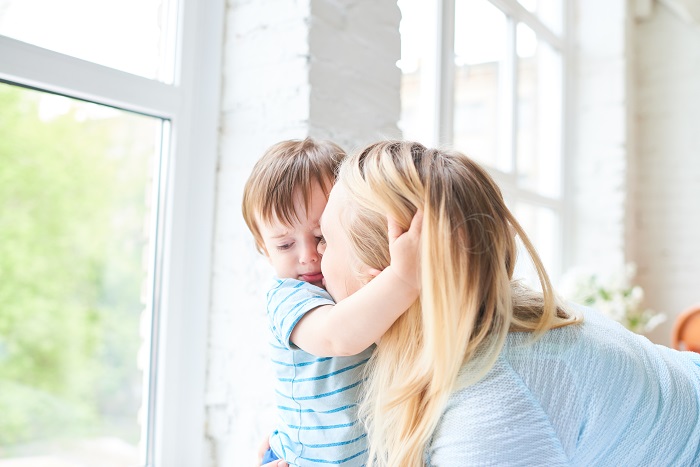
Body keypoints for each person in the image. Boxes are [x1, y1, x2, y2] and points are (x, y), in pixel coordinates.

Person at [311, 139, 700, 466]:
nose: (311, 262)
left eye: (323, 240)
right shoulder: (491, 325)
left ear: (377, 276)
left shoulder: (493, 406)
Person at [242, 138, 421, 467]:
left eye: (321, 236)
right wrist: (404, 278)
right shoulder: (288, 296)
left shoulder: (349, 286)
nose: (308, 255)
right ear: (262, 248)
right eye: (284, 245)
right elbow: (337, 337)